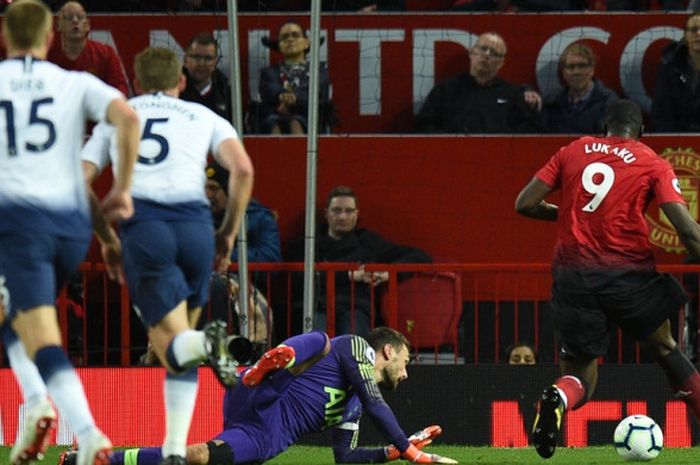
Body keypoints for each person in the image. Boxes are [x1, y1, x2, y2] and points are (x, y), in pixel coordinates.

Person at [81, 46, 254, 465]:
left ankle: (213, 343)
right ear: (180, 81)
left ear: (136, 83)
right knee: (178, 349)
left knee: (173, 342)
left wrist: (106, 238)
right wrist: (228, 232)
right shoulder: (206, 116)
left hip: (147, 229)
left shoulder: (118, 114)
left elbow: (79, 179)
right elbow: (244, 170)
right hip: (196, 227)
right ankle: (175, 449)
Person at [515, 99, 700, 459]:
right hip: (628, 276)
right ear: (641, 131)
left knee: (582, 378)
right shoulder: (651, 161)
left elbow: (524, 203)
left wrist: (570, 216)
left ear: (604, 127)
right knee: (664, 346)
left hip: (573, 278)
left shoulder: (573, 150)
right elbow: (686, 231)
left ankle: (558, 398)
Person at [0, 1, 140, 464]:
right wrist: (121, 188)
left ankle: (81, 427)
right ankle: (35, 400)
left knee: (37, 330)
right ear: (48, 38)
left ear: (5, 36)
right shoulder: (76, 82)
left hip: (21, 221)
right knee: (11, 310)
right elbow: (128, 117)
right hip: (71, 222)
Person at [60, 327, 457, 465]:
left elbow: (347, 458)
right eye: (405, 362)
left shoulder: (352, 404)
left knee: (196, 456)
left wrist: (389, 454)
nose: (405, 374)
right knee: (321, 341)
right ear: (387, 352)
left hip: (263, 432)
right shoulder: (357, 349)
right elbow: (376, 403)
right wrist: (411, 451)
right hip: (267, 398)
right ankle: (272, 363)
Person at [287, 186, 432, 338]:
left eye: (349, 211)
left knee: (352, 345)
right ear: (326, 213)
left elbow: (419, 256)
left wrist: (387, 274)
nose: (342, 217)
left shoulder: (367, 241)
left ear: (357, 214)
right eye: (336, 210)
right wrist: (350, 276)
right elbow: (299, 276)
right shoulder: (308, 243)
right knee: (317, 343)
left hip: (355, 308)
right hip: (315, 306)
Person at [415, 32, 542, 134]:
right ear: (471, 52)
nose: (486, 55)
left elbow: (530, 129)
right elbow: (424, 126)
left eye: (494, 53)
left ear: (501, 62)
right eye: (483, 49)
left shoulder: (512, 95)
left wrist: (501, 141)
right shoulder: (446, 89)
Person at [257, 21, 334, 134]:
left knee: (296, 123)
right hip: (276, 115)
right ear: (279, 45)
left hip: (308, 117)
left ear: (306, 43)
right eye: (284, 37)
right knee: (273, 125)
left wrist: (296, 97)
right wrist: (280, 95)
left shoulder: (318, 70)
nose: (290, 40)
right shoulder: (269, 72)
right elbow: (268, 88)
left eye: (295, 35)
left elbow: (317, 89)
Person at [47, 1, 130, 96]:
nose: (75, 21)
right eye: (69, 17)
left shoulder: (106, 53)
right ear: (58, 25)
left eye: (80, 17)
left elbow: (120, 89)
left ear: (87, 25)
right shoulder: (48, 54)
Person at [541, 43, 619, 134]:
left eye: (582, 66)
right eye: (571, 67)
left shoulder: (608, 101)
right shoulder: (552, 102)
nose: (576, 72)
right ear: (563, 72)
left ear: (592, 69)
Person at [651, 12, 700, 132]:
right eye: (693, 30)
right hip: (676, 141)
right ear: (685, 35)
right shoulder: (670, 67)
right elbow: (661, 112)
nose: (698, 34)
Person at [180, 32, 231, 121]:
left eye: (208, 58)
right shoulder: (173, 92)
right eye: (196, 57)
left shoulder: (226, 93)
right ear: (185, 60)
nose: (201, 63)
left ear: (215, 62)